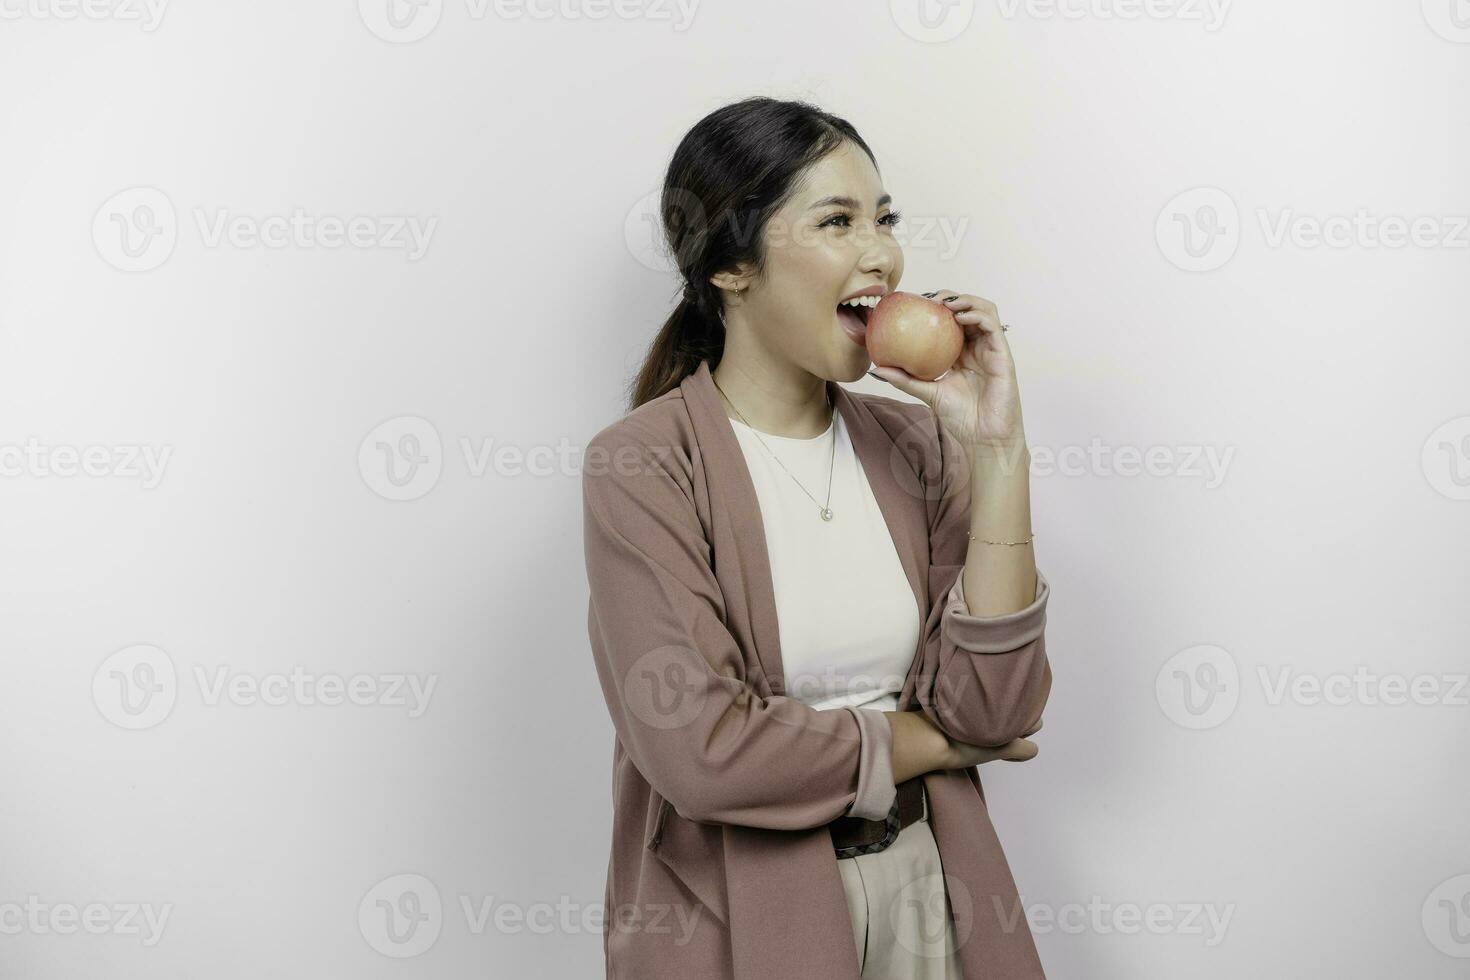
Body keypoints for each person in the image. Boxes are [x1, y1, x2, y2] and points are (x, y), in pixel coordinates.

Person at [582, 96, 1053, 979]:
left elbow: (998, 707)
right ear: (730, 264)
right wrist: (935, 744)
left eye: (885, 218)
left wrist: (997, 456)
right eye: (837, 220)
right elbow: (704, 753)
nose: (882, 253)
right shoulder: (642, 465)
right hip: (745, 920)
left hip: (933, 894)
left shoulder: (913, 444)